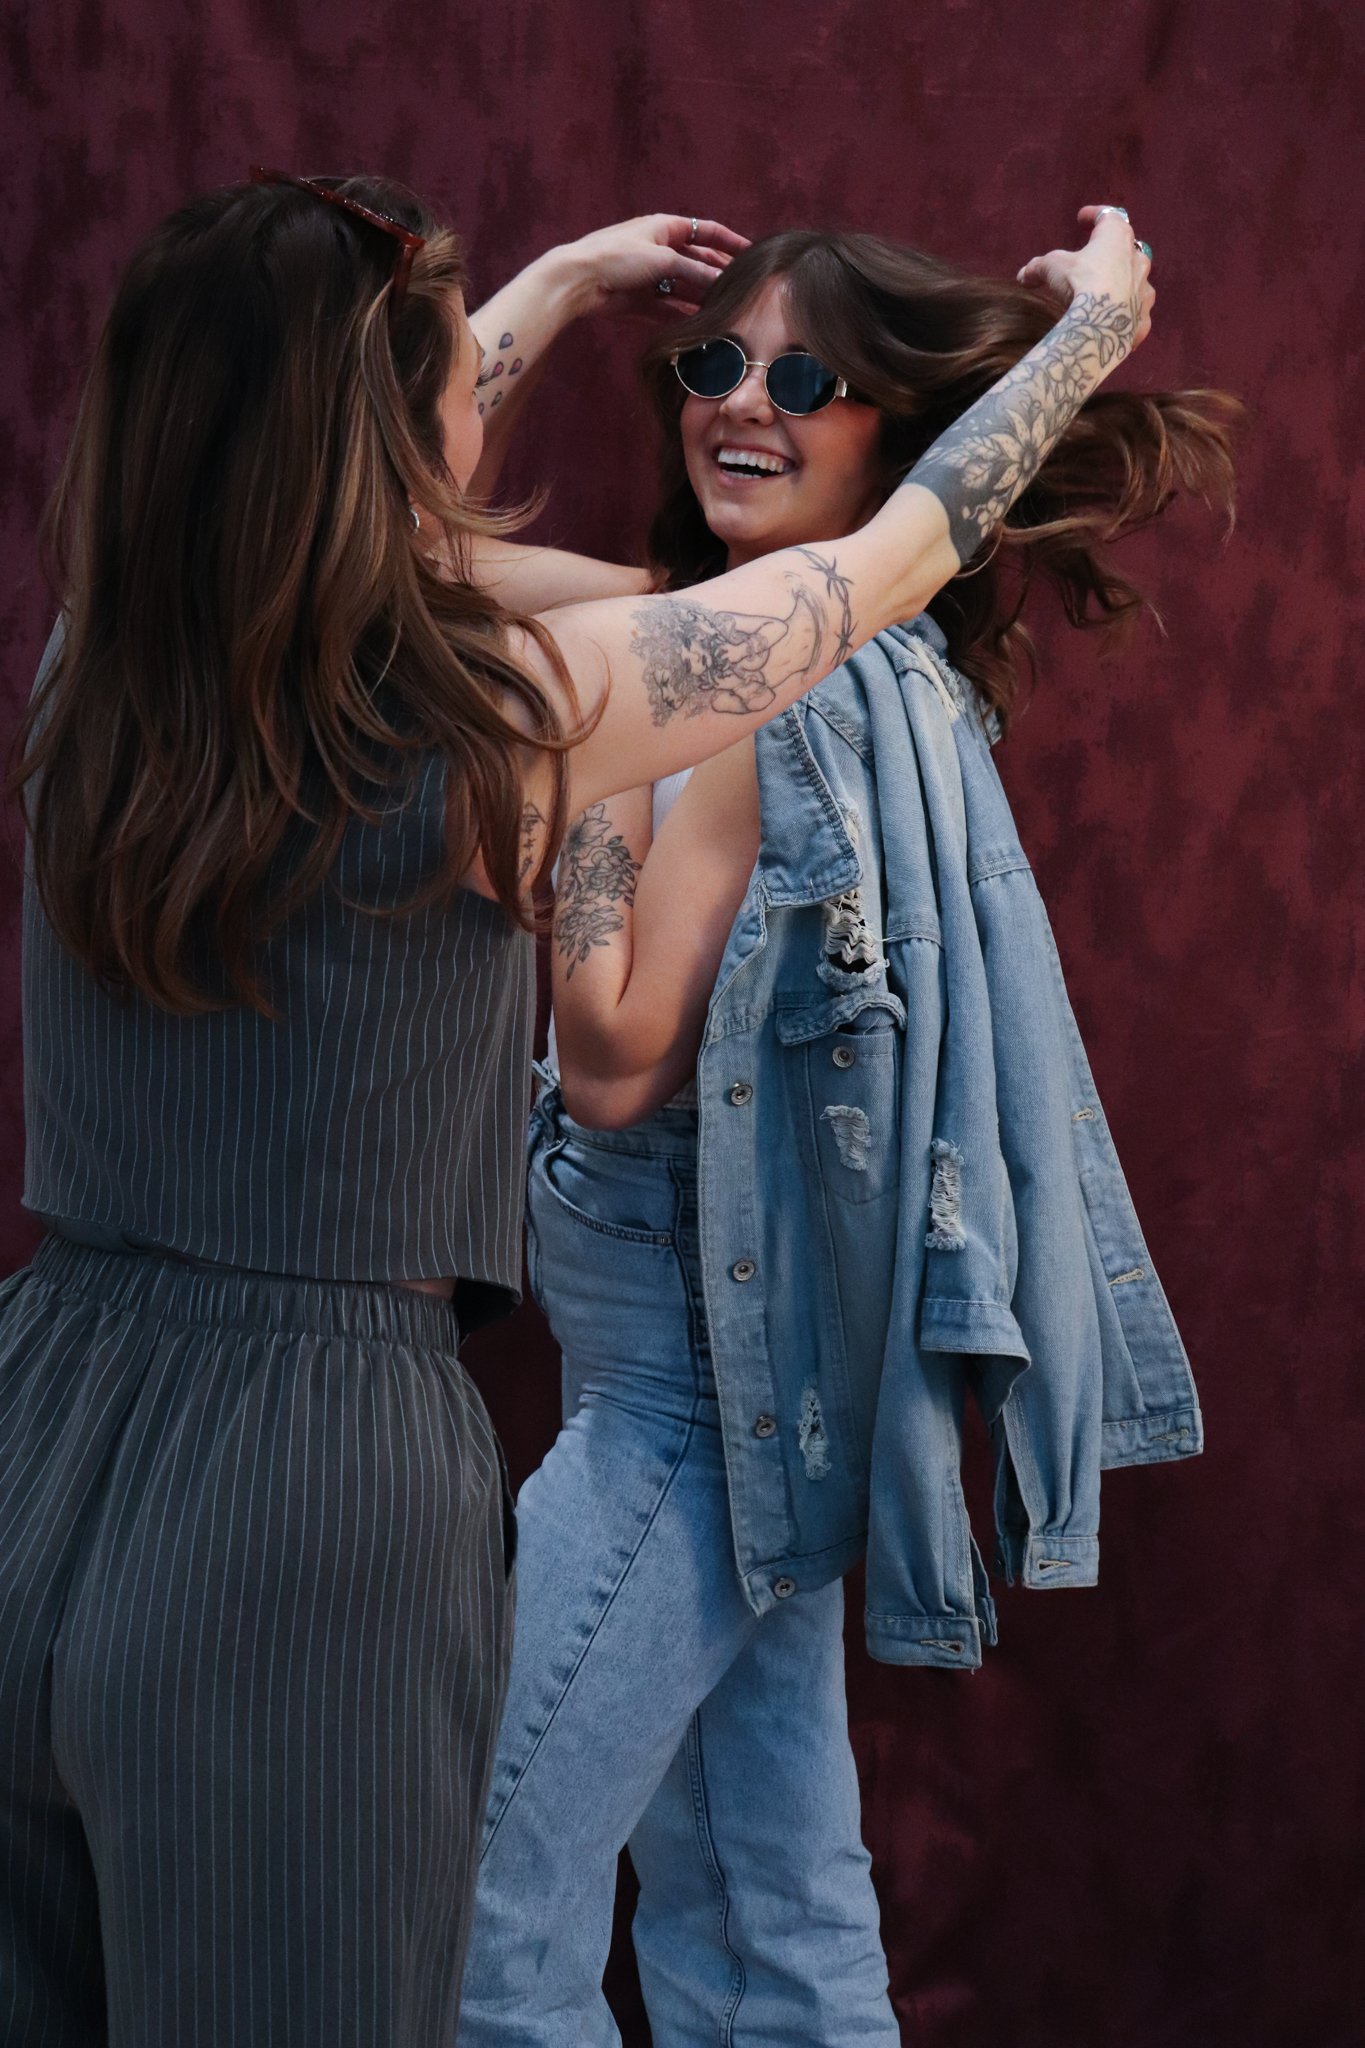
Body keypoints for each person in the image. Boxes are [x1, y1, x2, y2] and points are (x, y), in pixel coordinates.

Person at [0, 168, 1150, 2048]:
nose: (486, 385)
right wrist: (1094, 333)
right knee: (459, 1964)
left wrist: (544, 286)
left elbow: (339, 481)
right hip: (302, 1486)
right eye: (450, 369)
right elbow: (887, 564)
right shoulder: (505, 700)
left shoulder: (105, 647)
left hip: (41, 1418)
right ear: (385, 432)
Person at [460, 223, 1236, 2042]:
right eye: (710, 368)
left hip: (675, 1412)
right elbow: (401, 548)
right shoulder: (746, 647)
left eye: (802, 382)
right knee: (768, 1920)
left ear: (888, 432)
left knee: (489, 1913)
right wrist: (568, 281)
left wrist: (554, 804)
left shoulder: (764, 692)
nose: (739, 404)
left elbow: (613, 1061)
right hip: (742, 1396)